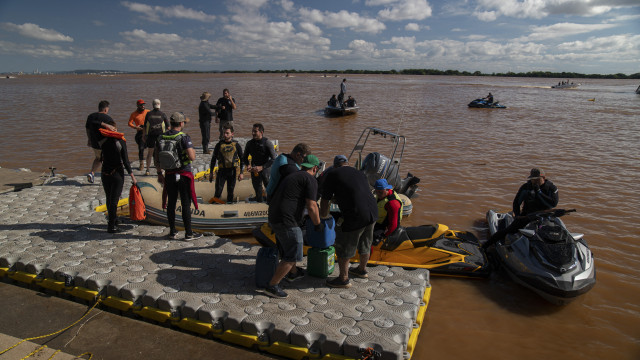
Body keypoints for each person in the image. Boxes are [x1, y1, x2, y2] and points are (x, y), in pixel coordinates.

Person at [260, 155, 322, 298]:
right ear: (315, 168)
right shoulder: (310, 179)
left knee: (288, 247)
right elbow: (312, 206)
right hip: (286, 220)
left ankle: (293, 273)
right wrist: (318, 224)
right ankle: (272, 286)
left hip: (274, 216)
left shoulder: (294, 176)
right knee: (293, 253)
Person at [319, 162, 377, 288]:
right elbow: (355, 192)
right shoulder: (359, 173)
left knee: (344, 245)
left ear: (335, 166)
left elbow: (325, 199)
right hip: (372, 212)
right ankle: (362, 270)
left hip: (356, 214)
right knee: (365, 242)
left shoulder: (332, 174)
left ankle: (343, 279)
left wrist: (323, 217)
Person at [483, 168, 559, 249]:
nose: (534, 182)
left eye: (537, 179)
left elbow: (553, 204)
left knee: (554, 234)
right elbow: (516, 202)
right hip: (527, 215)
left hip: (545, 217)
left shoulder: (552, 188)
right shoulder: (526, 187)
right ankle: (485, 246)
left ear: (543, 178)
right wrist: (517, 216)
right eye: (532, 179)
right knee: (508, 230)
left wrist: (539, 192)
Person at [155, 112, 202, 241]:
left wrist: (159, 174)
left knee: (171, 203)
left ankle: (172, 231)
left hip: (169, 174)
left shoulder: (161, 137)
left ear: (170, 123)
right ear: (181, 123)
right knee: (186, 204)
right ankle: (188, 233)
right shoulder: (184, 137)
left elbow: (156, 158)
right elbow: (192, 157)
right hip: (183, 174)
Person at [100, 124, 137, 233]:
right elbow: (125, 160)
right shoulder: (120, 142)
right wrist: (132, 176)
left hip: (104, 172)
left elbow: (100, 157)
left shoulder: (102, 141)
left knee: (108, 197)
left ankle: (114, 220)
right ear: (114, 129)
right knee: (114, 200)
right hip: (117, 173)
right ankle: (111, 226)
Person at [209, 124, 244, 203]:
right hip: (221, 172)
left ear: (232, 134)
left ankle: (229, 207)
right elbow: (213, 159)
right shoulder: (219, 145)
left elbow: (242, 159)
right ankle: (215, 209)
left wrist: (241, 173)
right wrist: (211, 172)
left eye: (227, 133)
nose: (225, 135)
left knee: (230, 192)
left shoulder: (236, 145)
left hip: (232, 172)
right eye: (224, 133)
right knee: (218, 192)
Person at [243, 123, 277, 203]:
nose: (253, 133)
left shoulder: (267, 143)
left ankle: (271, 202)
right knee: (257, 187)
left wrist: (262, 167)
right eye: (252, 131)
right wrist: (248, 165)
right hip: (254, 168)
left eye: (255, 131)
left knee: (268, 186)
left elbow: (274, 159)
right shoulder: (249, 143)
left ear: (261, 132)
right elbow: (244, 157)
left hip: (266, 167)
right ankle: (259, 201)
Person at [85, 100, 116, 184]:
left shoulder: (90, 116)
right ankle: (107, 177)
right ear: (106, 109)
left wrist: (89, 139)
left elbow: (87, 129)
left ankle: (92, 173)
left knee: (98, 158)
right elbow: (114, 131)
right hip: (105, 143)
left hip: (94, 143)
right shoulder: (108, 118)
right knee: (107, 160)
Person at [144, 99, 170, 175]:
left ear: (153, 105)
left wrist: (144, 135)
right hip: (160, 136)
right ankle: (162, 169)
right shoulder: (163, 114)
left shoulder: (148, 114)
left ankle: (147, 170)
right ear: (159, 105)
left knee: (150, 153)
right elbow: (168, 127)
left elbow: (145, 126)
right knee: (161, 153)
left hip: (151, 136)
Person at [127, 99, 149, 170]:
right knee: (141, 148)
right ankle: (141, 164)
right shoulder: (134, 114)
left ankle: (155, 162)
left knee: (153, 148)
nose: (143, 106)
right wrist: (135, 127)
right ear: (137, 106)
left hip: (148, 132)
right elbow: (129, 123)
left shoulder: (148, 112)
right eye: (141, 105)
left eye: (143, 104)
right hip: (140, 132)